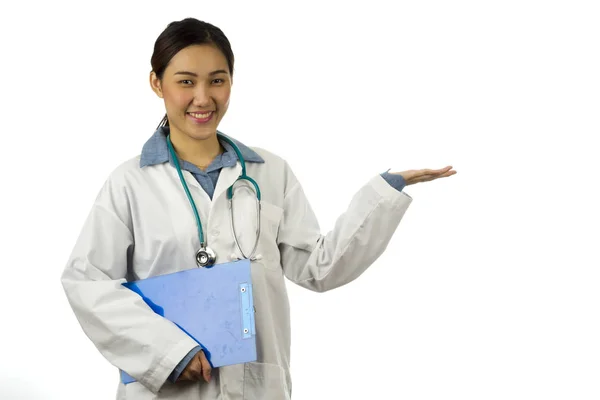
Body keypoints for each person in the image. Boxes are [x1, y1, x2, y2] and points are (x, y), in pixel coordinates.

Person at [60, 17, 456, 400]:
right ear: (156, 83)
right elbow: (88, 282)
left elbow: (318, 267)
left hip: (256, 385)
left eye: (217, 80)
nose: (203, 98)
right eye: (186, 82)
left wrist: (385, 192)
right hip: (169, 388)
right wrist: (167, 351)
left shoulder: (269, 173)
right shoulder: (129, 183)